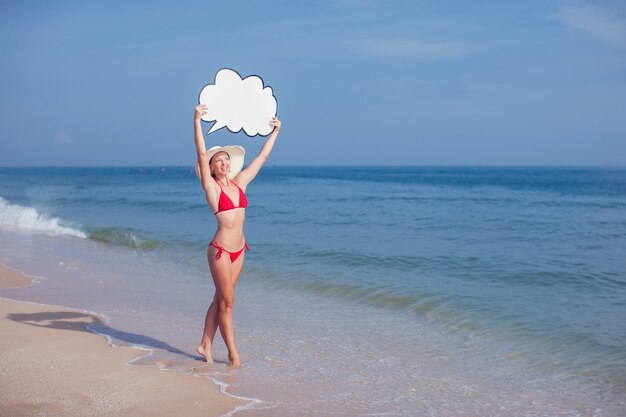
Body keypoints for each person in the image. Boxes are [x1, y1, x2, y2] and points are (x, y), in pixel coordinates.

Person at [193, 104, 281, 367]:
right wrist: (196, 119)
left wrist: (276, 131)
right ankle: (234, 354)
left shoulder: (240, 182)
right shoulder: (211, 188)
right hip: (220, 251)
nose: (224, 162)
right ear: (211, 167)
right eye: (218, 160)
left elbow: (262, 158)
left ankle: (204, 344)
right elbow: (200, 150)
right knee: (228, 303)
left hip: (240, 250)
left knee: (220, 299)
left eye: (226, 159)